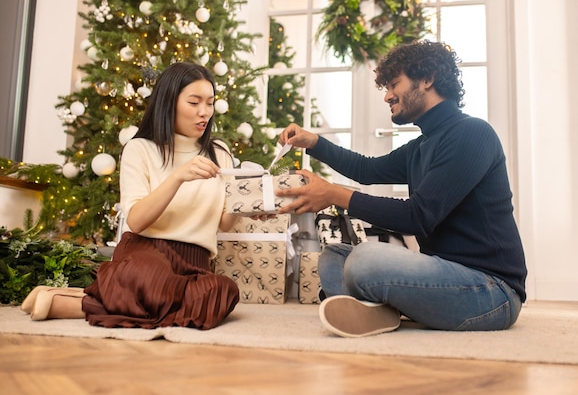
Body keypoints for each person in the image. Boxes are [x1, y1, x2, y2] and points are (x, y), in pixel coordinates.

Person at [276, 40, 527, 337]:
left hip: (492, 291)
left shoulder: (471, 134)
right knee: (335, 256)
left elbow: (417, 216)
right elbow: (366, 170)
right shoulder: (422, 146)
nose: (387, 96)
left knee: (364, 261)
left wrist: (333, 194)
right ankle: (380, 312)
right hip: (443, 273)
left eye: (394, 84)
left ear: (427, 79)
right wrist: (314, 143)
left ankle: (377, 305)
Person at [20, 62, 241, 330]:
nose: (204, 112)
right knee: (150, 280)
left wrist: (246, 207)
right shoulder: (140, 149)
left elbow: (224, 222)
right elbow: (136, 221)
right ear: (169, 102)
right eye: (194, 102)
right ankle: (108, 298)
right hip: (147, 252)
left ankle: (76, 302)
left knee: (222, 292)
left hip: (195, 263)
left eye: (209, 102)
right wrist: (178, 177)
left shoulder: (220, 152)